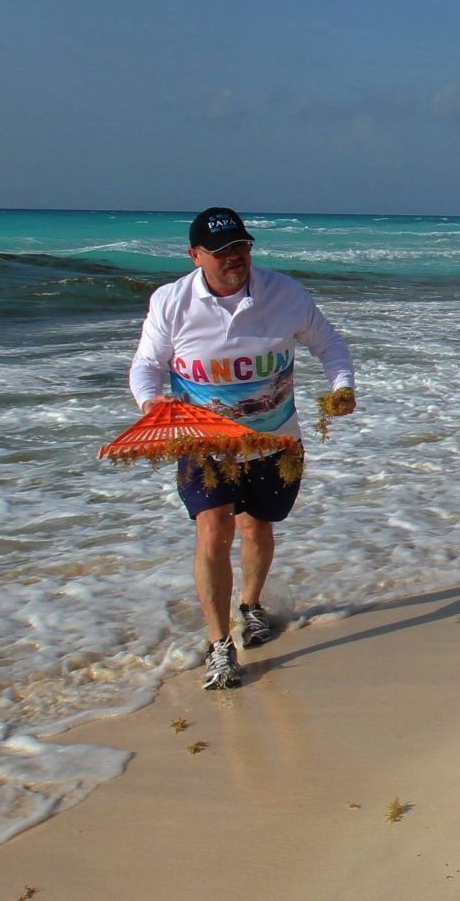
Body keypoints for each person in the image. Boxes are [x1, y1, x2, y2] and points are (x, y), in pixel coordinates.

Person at [129, 208, 357, 690]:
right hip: (205, 445)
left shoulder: (284, 294)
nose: (236, 257)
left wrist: (342, 385)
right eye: (222, 251)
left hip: (277, 442)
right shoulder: (171, 302)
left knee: (256, 527)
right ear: (195, 256)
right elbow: (146, 366)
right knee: (212, 530)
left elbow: (329, 343)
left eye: (242, 247)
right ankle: (219, 647)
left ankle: (251, 607)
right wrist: (152, 402)